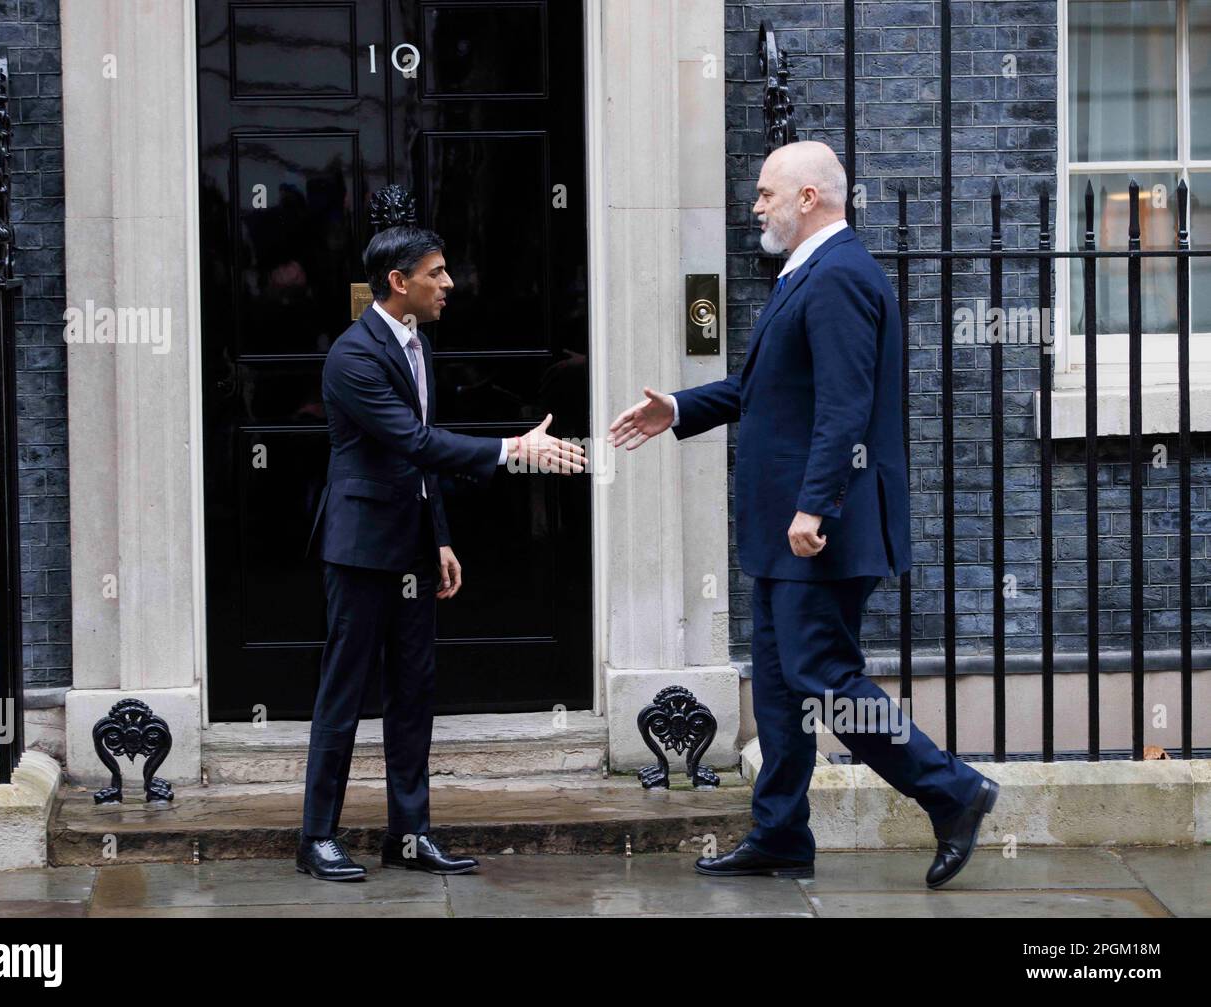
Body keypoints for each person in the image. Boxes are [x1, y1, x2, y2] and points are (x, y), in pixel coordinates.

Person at [608, 141, 997, 889]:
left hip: (820, 526)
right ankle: (781, 831)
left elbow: (846, 404)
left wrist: (816, 502)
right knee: (785, 683)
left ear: (810, 197)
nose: (756, 206)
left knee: (823, 674)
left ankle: (952, 791)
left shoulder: (839, 275)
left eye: (765, 193)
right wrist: (682, 406)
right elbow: (772, 389)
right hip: (785, 531)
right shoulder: (809, 273)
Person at [299, 224, 585, 881]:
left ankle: (409, 834)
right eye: (437, 272)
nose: (449, 283)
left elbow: (420, 454)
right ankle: (316, 837)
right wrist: (513, 450)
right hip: (359, 549)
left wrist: (442, 535)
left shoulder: (418, 343)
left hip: (413, 545)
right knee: (343, 694)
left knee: (413, 691)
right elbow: (414, 442)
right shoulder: (353, 356)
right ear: (399, 282)